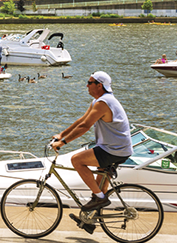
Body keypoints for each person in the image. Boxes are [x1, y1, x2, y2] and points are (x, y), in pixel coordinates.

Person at [52, 71, 132, 213]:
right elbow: (82, 120)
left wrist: (62, 143)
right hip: (114, 147)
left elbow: (85, 126)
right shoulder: (98, 101)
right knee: (99, 185)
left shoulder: (104, 103)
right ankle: (91, 217)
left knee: (76, 160)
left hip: (114, 149)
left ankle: (100, 198)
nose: (86, 85)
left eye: (89, 83)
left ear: (99, 85)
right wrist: (61, 134)